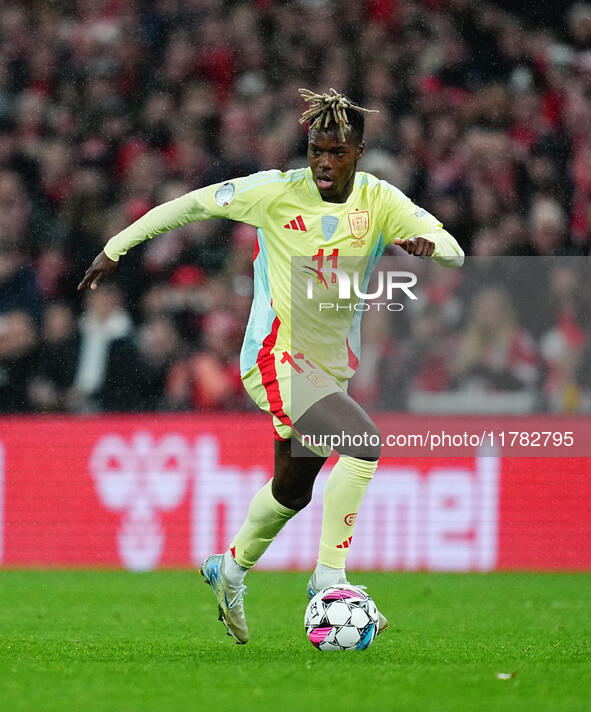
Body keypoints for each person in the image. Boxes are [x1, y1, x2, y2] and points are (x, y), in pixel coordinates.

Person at [78, 88, 464, 644]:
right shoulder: (276, 192)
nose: (324, 163)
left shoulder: (380, 202)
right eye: (315, 150)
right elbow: (188, 205)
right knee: (363, 444)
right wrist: (116, 247)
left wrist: (427, 245)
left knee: (294, 486)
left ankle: (229, 570)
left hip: (331, 366)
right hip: (276, 356)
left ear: (358, 150)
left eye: (336, 151)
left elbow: (453, 249)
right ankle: (329, 579)